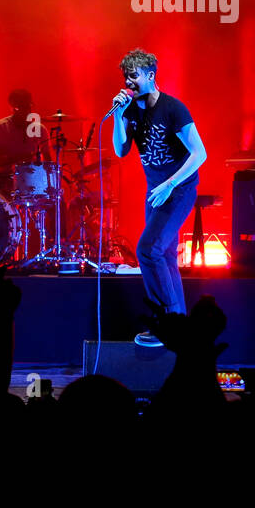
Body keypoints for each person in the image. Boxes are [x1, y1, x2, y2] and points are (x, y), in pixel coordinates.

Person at [110, 49, 207, 347]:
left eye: (134, 75)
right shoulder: (132, 110)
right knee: (163, 255)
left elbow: (199, 153)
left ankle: (166, 323)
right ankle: (178, 323)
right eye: (126, 76)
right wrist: (118, 116)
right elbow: (120, 150)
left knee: (148, 250)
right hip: (156, 193)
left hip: (177, 190)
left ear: (151, 75)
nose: (129, 81)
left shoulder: (173, 109)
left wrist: (169, 183)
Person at [0, 88, 51, 197]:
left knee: (55, 198)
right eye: (21, 107)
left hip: (33, 178)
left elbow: (48, 161)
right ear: (13, 108)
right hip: (5, 178)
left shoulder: (39, 129)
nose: (26, 111)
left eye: (28, 107)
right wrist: (19, 160)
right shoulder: (1, 127)